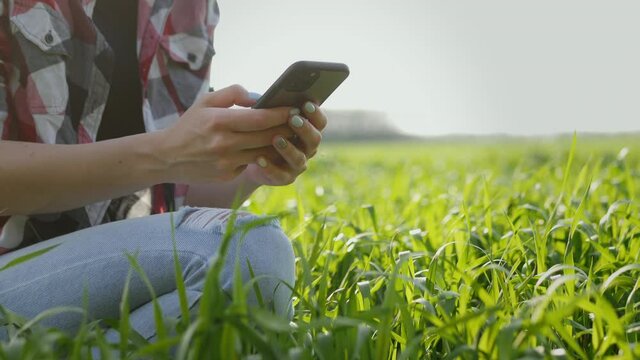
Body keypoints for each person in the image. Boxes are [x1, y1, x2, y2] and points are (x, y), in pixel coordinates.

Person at [0, 0, 325, 340]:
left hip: (104, 269)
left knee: (245, 283)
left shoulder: (190, 6)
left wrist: (250, 168)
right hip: (13, 272)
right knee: (252, 252)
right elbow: (163, 159)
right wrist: (166, 153)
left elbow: (172, 191)